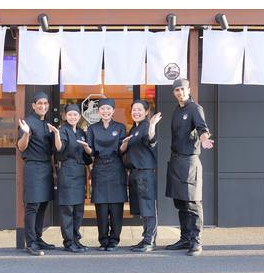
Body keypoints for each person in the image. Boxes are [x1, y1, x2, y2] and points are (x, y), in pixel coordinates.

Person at [165, 79, 214, 256]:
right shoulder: (176, 110)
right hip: (176, 160)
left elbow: (202, 128)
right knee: (180, 202)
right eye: (176, 90)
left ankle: (196, 241)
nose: (179, 92)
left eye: (182, 89)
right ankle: (185, 238)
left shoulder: (195, 108)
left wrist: (204, 139)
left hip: (189, 161)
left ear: (188, 90)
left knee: (193, 202)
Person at [77, 98, 128, 251]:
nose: (105, 112)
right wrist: (86, 148)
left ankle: (114, 239)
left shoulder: (120, 127)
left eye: (108, 109)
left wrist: (125, 144)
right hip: (99, 166)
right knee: (101, 207)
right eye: (103, 109)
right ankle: (103, 239)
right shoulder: (92, 128)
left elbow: (121, 150)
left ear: (113, 111)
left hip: (116, 166)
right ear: (98, 111)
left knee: (116, 206)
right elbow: (91, 152)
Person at [47, 104, 91, 253]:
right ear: (65, 116)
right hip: (66, 172)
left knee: (79, 209)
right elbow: (59, 148)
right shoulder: (62, 130)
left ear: (79, 117)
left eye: (76, 115)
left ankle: (76, 239)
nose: (73, 117)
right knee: (67, 209)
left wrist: (87, 149)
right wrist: (57, 135)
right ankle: (68, 241)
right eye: (70, 114)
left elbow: (87, 156)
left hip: (79, 173)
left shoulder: (80, 132)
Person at [17, 91, 56, 256]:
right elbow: (21, 147)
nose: (43, 106)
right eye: (39, 103)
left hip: (46, 168)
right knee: (32, 206)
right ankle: (30, 242)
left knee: (43, 205)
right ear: (33, 105)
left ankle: (38, 238)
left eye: (45, 103)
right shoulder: (28, 122)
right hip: (33, 167)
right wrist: (26, 133)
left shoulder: (46, 124)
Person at [124, 100, 162, 252]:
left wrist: (152, 126)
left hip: (145, 172)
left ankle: (150, 241)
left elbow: (151, 141)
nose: (136, 112)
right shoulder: (134, 129)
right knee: (142, 208)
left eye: (140, 110)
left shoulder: (147, 126)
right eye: (134, 109)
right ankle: (145, 237)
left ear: (147, 112)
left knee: (148, 207)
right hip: (134, 173)